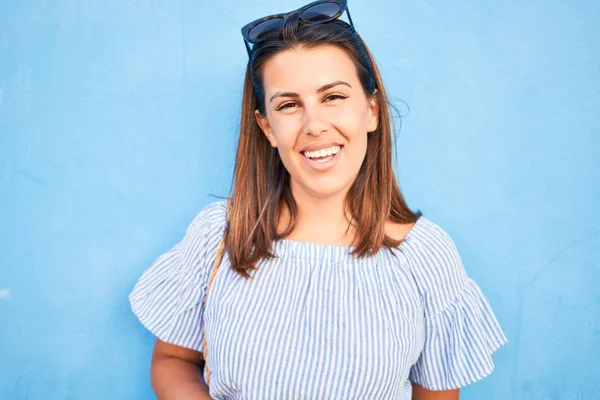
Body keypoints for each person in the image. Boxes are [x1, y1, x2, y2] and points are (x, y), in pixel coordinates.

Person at [128, 1, 508, 398]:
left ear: (372, 110)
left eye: (333, 97)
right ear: (266, 126)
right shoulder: (219, 234)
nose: (314, 125)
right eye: (289, 105)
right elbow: (173, 361)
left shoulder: (425, 255)